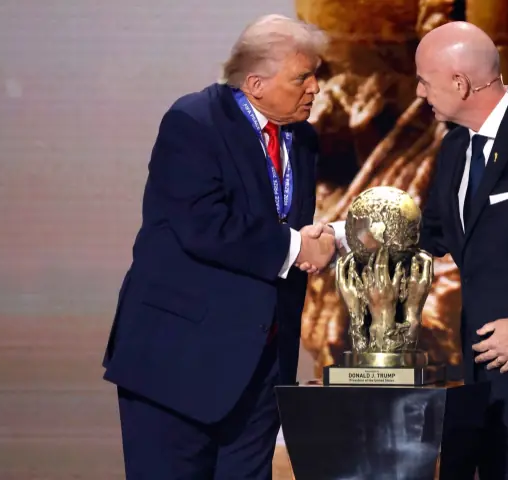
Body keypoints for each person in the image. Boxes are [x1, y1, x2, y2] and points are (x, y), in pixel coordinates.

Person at [312, 20, 508, 479]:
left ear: (460, 83)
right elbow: (430, 231)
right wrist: (338, 237)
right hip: (487, 385)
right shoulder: (457, 145)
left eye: (425, 81)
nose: (418, 92)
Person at [101, 15, 335, 479]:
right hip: (178, 362)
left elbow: (281, 226)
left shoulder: (302, 138)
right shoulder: (193, 122)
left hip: (261, 365)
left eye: (316, 75)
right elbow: (203, 225)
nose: (314, 88)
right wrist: (295, 247)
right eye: (301, 78)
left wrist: (321, 241)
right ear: (255, 83)